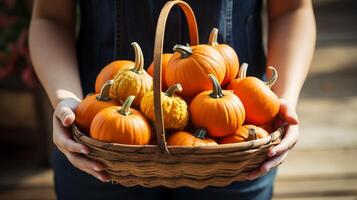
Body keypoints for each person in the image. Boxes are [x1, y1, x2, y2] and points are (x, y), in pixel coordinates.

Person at [29, 0, 316, 199]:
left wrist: (281, 100)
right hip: (99, 140)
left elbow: (292, 9)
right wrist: (66, 100)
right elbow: (50, 17)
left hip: (234, 142)